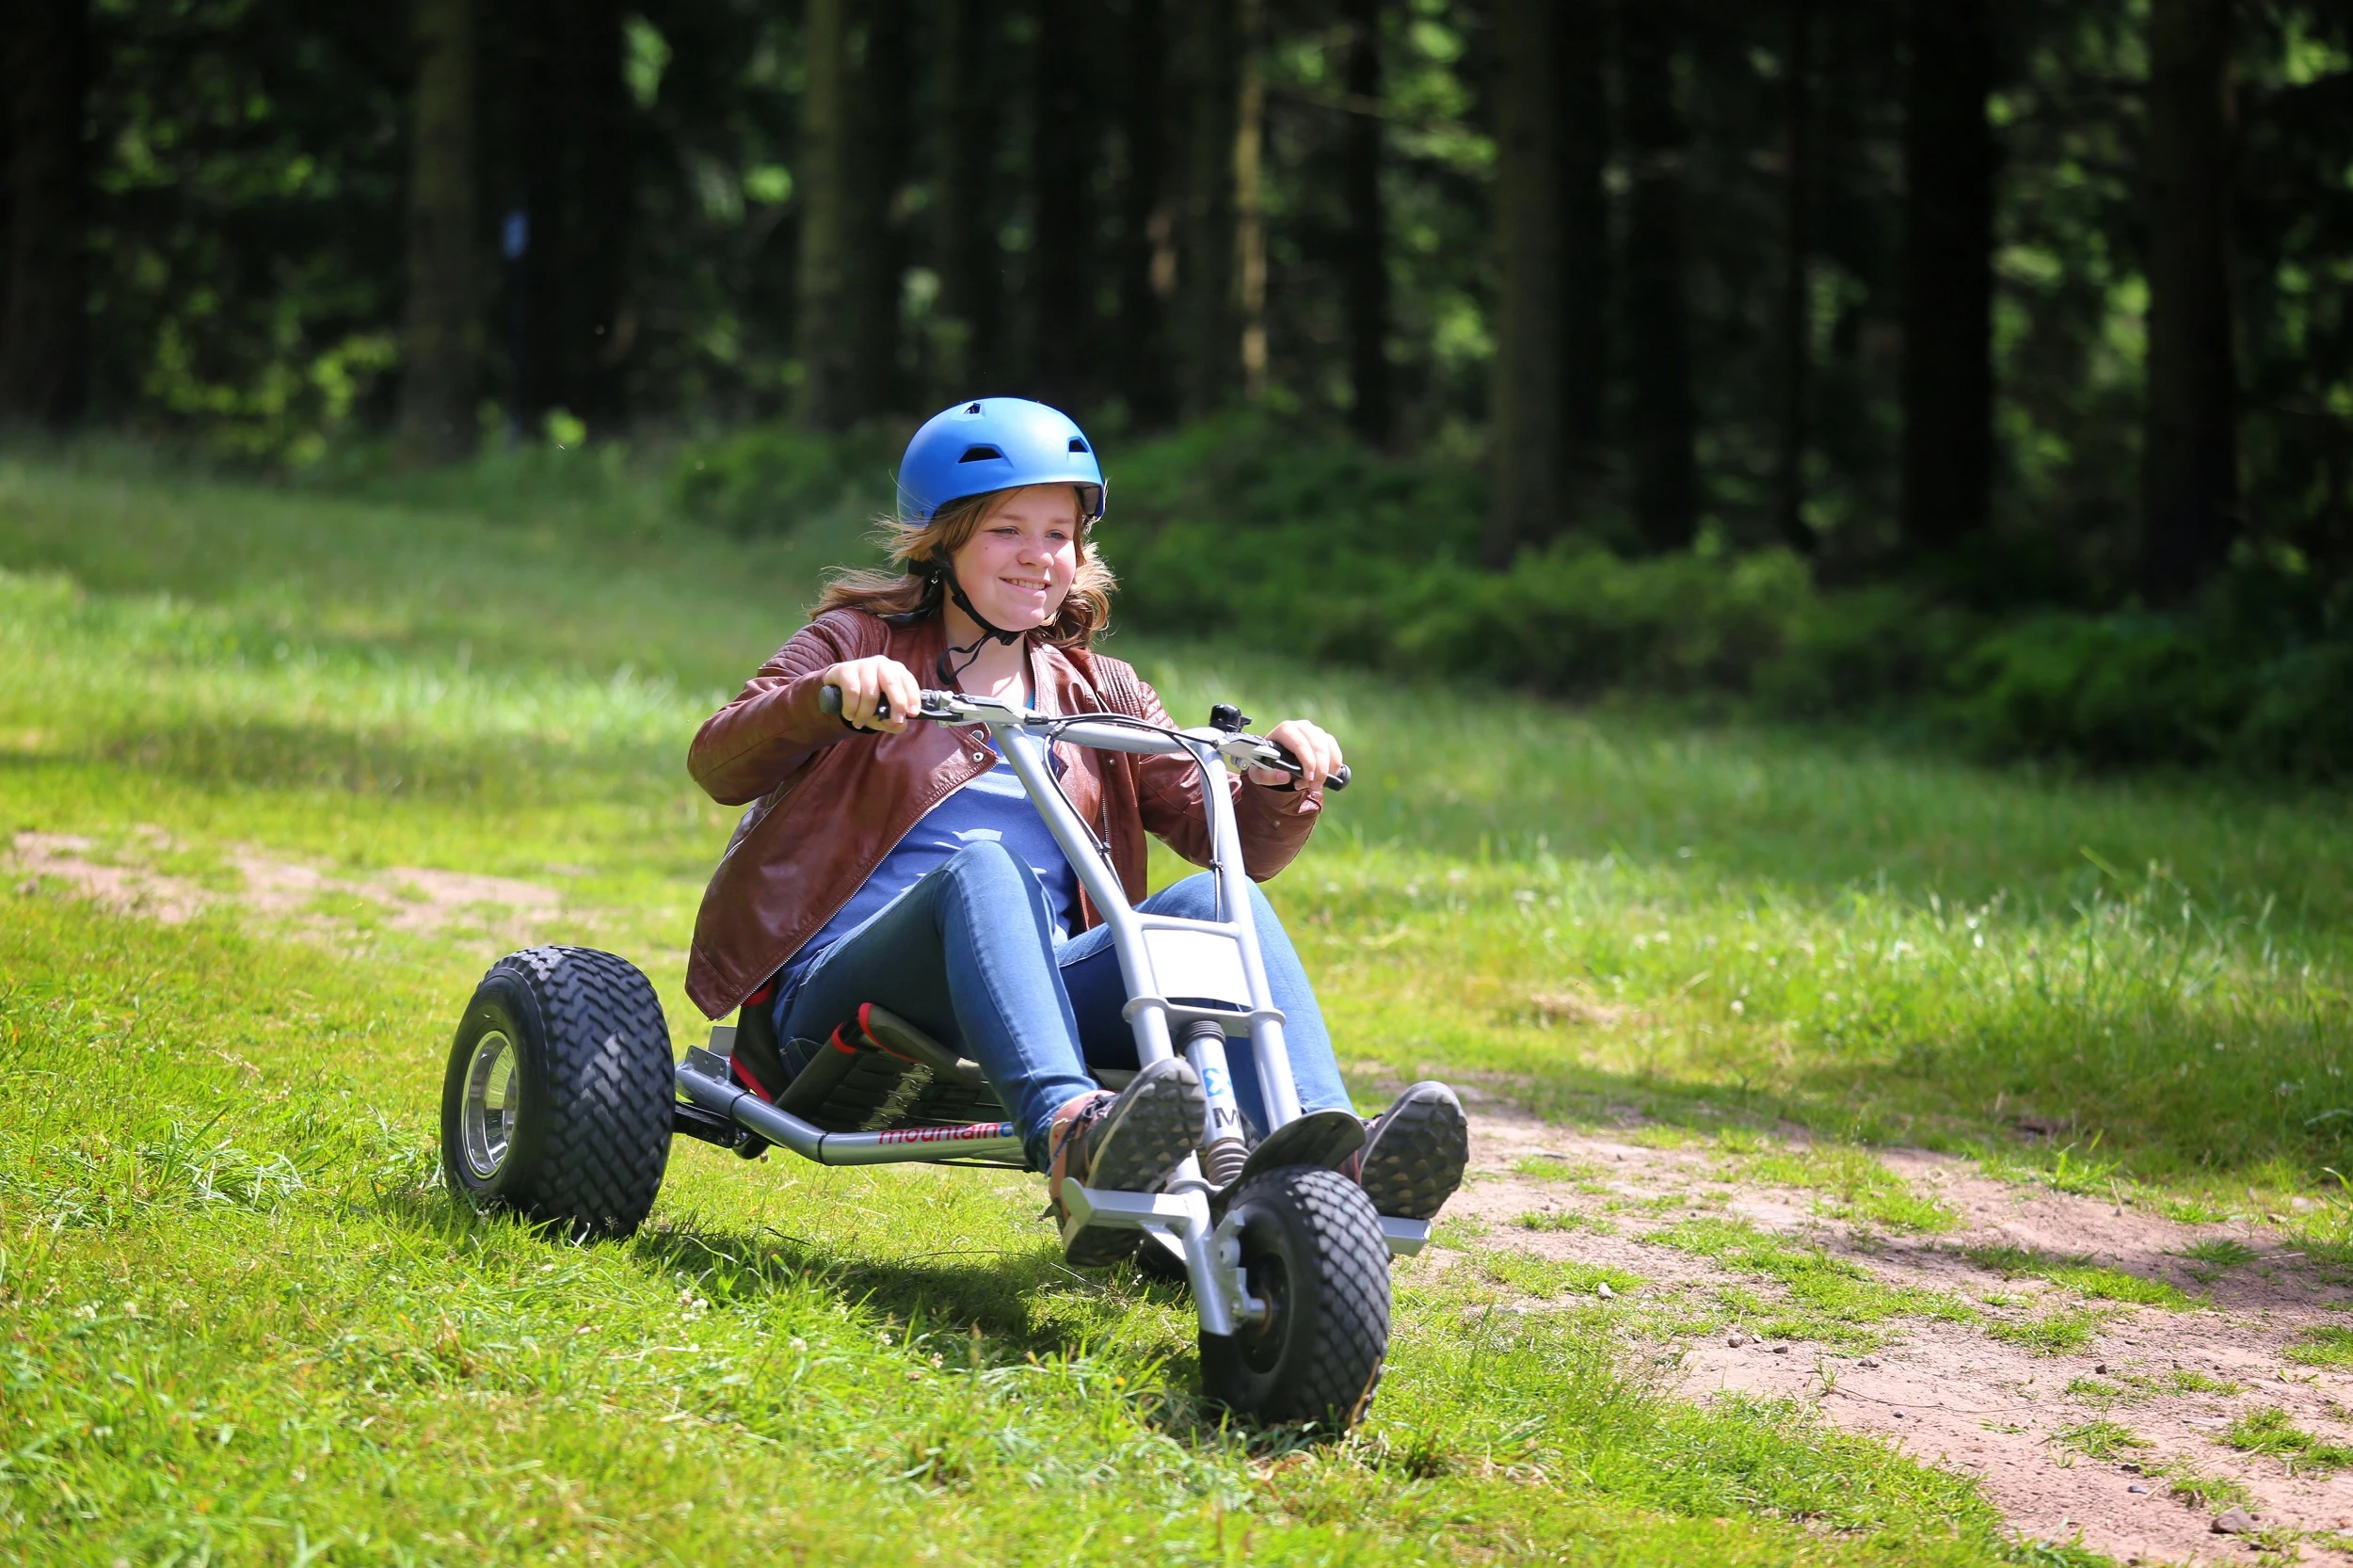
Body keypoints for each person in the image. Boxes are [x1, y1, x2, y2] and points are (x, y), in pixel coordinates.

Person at [682, 397, 1467, 1263]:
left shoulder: (1101, 690)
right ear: (942, 540)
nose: (1038, 558)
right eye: (1006, 530)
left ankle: (1330, 1159)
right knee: (985, 866)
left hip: (1039, 990)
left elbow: (1227, 838)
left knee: (1218, 895)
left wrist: (1286, 782)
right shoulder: (857, 641)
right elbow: (720, 762)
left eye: (1059, 534)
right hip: (846, 996)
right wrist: (826, 696)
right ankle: (1072, 1133)